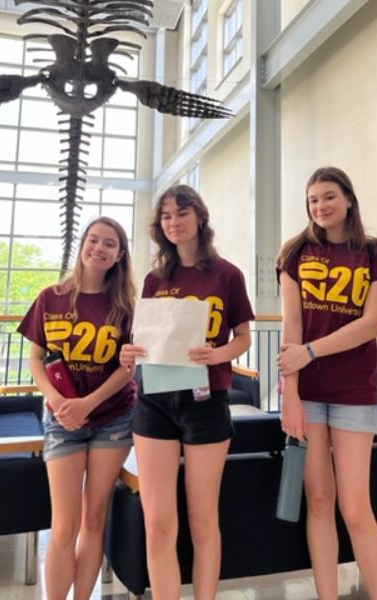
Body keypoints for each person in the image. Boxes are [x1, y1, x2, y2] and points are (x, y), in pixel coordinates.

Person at [119, 184, 254, 600]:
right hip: (155, 401)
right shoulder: (154, 279)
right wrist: (130, 353)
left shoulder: (227, 274)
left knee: (202, 521)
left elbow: (243, 337)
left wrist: (218, 354)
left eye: (181, 213)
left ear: (199, 217)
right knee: (158, 522)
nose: (173, 222)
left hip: (205, 401)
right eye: (166, 216)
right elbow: (145, 339)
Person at [277, 166, 377, 600]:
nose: (321, 206)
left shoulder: (374, 252)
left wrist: (311, 352)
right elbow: (292, 325)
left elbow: (370, 325)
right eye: (313, 200)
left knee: (355, 506)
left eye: (329, 196)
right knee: (319, 501)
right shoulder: (295, 252)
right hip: (307, 395)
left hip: (354, 391)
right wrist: (290, 395)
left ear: (348, 199)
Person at [17, 216, 136, 600]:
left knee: (94, 519)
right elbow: (36, 359)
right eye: (94, 240)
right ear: (82, 244)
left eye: (110, 244)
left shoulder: (126, 306)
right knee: (64, 525)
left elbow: (127, 369)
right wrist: (57, 401)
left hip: (113, 419)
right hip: (61, 420)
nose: (99, 248)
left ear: (119, 255)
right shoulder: (50, 297)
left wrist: (88, 403)